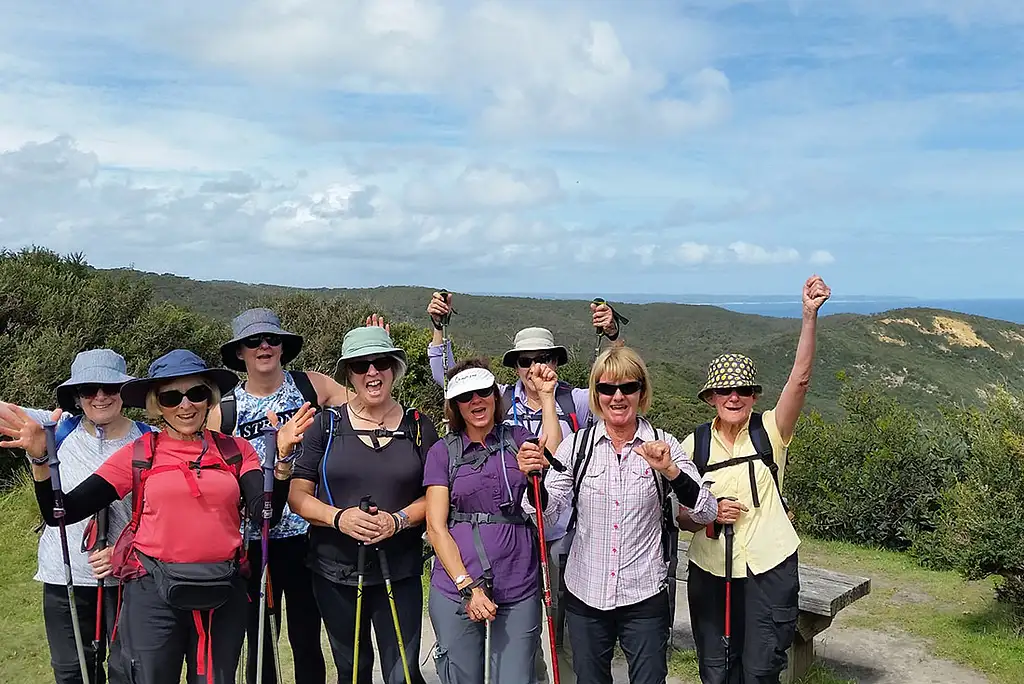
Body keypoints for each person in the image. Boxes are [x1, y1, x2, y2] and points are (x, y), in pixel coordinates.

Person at [10, 349, 310, 684]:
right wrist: (40, 460)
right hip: (153, 594)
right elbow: (60, 513)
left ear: (209, 397)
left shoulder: (234, 450)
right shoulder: (140, 453)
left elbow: (265, 514)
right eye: (171, 397)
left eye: (196, 393)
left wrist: (282, 462)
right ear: (158, 404)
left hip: (222, 591)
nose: (186, 405)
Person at [425, 291, 621, 657]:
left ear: (555, 361)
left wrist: (611, 338)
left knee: (562, 619)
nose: (534, 367)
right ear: (514, 365)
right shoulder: (495, 398)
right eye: (525, 360)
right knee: (524, 635)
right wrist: (439, 329)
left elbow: (618, 382)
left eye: (543, 358)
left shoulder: (575, 400)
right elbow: (448, 378)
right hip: (515, 527)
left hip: (560, 527)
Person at [521, 345, 718, 684]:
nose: (618, 396)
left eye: (628, 387)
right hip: (586, 594)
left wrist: (671, 471)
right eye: (607, 388)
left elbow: (705, 510)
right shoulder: (577, 447)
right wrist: (533, 479)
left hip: (643, 595)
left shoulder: (663, 443)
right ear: (596, 394)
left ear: (642, 392)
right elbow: (545, 512)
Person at [679, 275, 830, 684]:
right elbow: (681, 516)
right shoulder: (693, 446)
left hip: (770, 567)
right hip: (711, 570)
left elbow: (799, 380)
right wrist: (710, 514)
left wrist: (809, 315)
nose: (734, 397)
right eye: (725, 390)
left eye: (743, 390)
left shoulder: (771, 433)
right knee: (716, 671)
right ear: (711, 396)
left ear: (754, 396)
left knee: (761, 671)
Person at [211, 307, 356, 684]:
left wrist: (373, 352)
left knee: (307, 635)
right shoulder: (223, 411)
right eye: (253, 341)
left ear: (282, 347)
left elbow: (364, 410)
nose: (264, 346)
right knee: (259, 640)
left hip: (306, 533)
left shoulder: (313, 386)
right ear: (239, 352)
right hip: (252, 539)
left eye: (272, 339)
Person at [288, 325, 439, 684]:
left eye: (381, 362)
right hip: (335, 571)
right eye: (360, 366)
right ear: (349, 375)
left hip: (399, 570)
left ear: (394, 369)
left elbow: (435, 497)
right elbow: (297, 496)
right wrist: (339, 518)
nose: (372, 372)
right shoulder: (325, 426)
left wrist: (398, 520)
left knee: (402, 672)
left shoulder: (419, 426)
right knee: (351, 672)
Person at [0, 349, 152, 684]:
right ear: (76, 396)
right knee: (72, 673)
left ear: (125, 392)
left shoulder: (149, 440)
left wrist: (126, 553)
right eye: (88, 390)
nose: (100, 397)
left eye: (110, 388)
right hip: (63, 575)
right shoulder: (55, 428)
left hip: (131, 577)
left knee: (129, 672)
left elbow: (164, 515)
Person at [423, 358, 562, 684]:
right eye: (465, 396)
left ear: (494, 395)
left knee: (515, 677)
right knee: (462, 677)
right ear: (455, 406)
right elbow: (436, 527)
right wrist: (468, 587)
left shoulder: (516, 437)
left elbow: (552, 451)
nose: (476, 401)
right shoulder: (443, 452)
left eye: (483, 392)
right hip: (456, 588)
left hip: (518, 586)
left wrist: (547, 398)